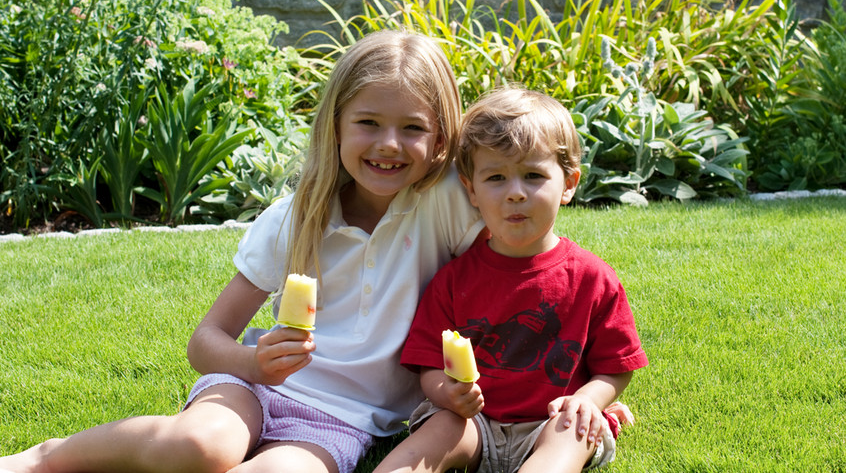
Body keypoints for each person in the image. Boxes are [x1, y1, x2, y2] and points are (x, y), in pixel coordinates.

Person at [0, 30, 485, 473]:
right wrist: (254, 365)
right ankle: (47, 457)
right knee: (196, 447)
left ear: (441, 138)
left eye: (413, 129)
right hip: (252, 388)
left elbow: (519, 259)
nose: (389, 144)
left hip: (345, 419)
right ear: (335, 126)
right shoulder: (296, 217)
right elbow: (204, 341)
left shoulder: (445, 205)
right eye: (368, 122)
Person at [373, 87, 649, 473]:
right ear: (471, 189)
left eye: (533, 176)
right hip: (472, 423)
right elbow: (430, 366)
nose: (515, 193)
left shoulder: (591, 278)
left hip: (551, 421)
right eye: (496, 177)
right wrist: (448, 393)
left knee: (574, 430)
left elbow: (617, 365)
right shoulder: (453, 280)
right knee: (441, 427)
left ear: (568, 183)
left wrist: (588, 398)